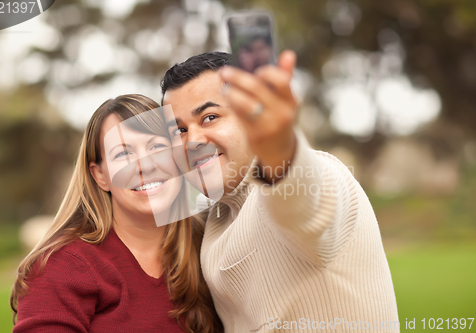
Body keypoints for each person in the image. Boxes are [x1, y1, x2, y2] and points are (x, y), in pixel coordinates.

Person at [160, 52, 400, 332]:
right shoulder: (215, 214)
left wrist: (280, 151)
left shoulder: (318, 173)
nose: (193, 142)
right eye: (179, 131)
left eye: (210, 117)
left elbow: (306, 204)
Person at [10, 94, 223, 333]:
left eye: (157, 147)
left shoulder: (209, 244)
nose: (146, 165)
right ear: (100, 175)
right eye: (123, 154)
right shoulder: (65, 265)